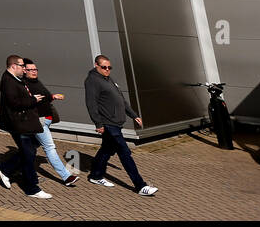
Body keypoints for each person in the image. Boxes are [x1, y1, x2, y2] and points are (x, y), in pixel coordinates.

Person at [85, 55, 158, 196]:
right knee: (125, 153)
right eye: (104, 67)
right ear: (96, 66)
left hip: (117, 123)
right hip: (108, 123)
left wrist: (134, 115)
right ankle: (140, 186)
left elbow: (122, 100)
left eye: (109, 67)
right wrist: (98, 123)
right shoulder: (92, 81)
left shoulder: (109, 79)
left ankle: (95, 176)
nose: (107, 70)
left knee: (106, 150)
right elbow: (91, 104)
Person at [0, 53, 51, 199]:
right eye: (21, 66)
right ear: (14, 66)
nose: (24, 69)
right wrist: (33, 100)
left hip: (24, 122)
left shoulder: (16, 79)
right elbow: (14, 103)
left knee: (30, 150)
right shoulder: (8, 81)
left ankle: (5, 168)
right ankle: (32, 188)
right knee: (29, 154)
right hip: (18, 123)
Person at [22, 59, 78, 187]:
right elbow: (33, 100)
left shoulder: (35, 81)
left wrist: (52, 96)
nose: (34, 72)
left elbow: (44, 95)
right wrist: (50, 97)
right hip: (39, 121)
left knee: (30, 149)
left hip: (46, 120)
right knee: (50, 147)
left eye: (35, 69)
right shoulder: (25, 84)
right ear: (24, 70)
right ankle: (66, 177)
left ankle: (7, 168)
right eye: (31, 70)